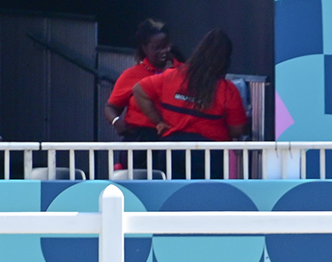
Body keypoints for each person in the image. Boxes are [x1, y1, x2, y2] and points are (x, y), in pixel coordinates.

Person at [133, 29, 249, 178]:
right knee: (204, 199)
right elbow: (237, 130)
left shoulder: (172, 76)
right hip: (208, 156)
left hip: (170, 151)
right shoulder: (227, 90)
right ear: (225, 60)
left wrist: (159, 122)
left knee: (171, 198)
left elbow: (139, 90)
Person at [105, 19, 182, 173]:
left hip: (173, 140)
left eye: (166, 45)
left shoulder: (183, 71)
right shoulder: (131, 75)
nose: (164, 51)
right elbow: (110, 107)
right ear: (145, 48)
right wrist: (116, 122)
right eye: (157, 48)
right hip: (140, 142)